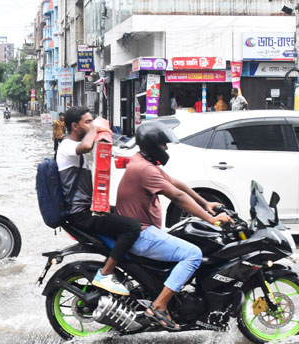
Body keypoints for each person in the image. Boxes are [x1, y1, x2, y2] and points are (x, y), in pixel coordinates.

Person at [115, 119, 232, 331]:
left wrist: (205, 202)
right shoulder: (145, 170)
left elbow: (176, 183)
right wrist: (211, 218)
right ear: (152, 144)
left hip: (142, 232)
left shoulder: (142, 161)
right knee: (193, 254)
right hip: (143, 235)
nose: (166, 148)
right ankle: (159, 306)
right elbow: (177, 196)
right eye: (163, 144)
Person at [58, 106, 141, 295]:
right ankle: (106, 273)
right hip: (81, 214)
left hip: (87, 209)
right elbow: (86, 146)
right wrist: (97, 127)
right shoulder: (68, 146)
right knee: (132, 227)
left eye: (91, 121)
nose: (90, 125)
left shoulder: (75, 148)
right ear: (74, 126)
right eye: (86, 122)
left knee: (126, 216)